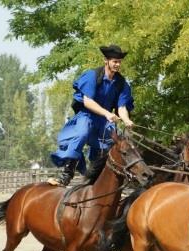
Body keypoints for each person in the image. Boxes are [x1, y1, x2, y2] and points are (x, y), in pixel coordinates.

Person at [48, 44, 135, 186]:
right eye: (114, 61)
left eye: (119, 62)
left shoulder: (121, 83)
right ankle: (66, 174)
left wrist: (126, 119)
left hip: (105, 121)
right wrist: (107, 113)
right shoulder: (92, 76)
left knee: (115, 143)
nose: (117, 64)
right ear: (106, 61)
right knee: (82, 133)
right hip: (86, 116)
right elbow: (87, 101)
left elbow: (122, 106)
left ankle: (97, 179)